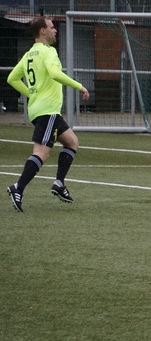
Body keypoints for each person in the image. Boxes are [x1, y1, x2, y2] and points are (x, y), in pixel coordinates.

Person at [6, 16, 90, 212]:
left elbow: (12, 78)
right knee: (41, 153)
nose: (55, 30)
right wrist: (79, 86)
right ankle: (18, 187)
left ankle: (59, 183)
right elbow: (54, 73)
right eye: (52, 27)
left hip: (42, 110)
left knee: (72, 142)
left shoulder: (29, 54)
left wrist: (31, 94)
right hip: (47, 111)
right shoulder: (48, 51)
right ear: (42, 31)